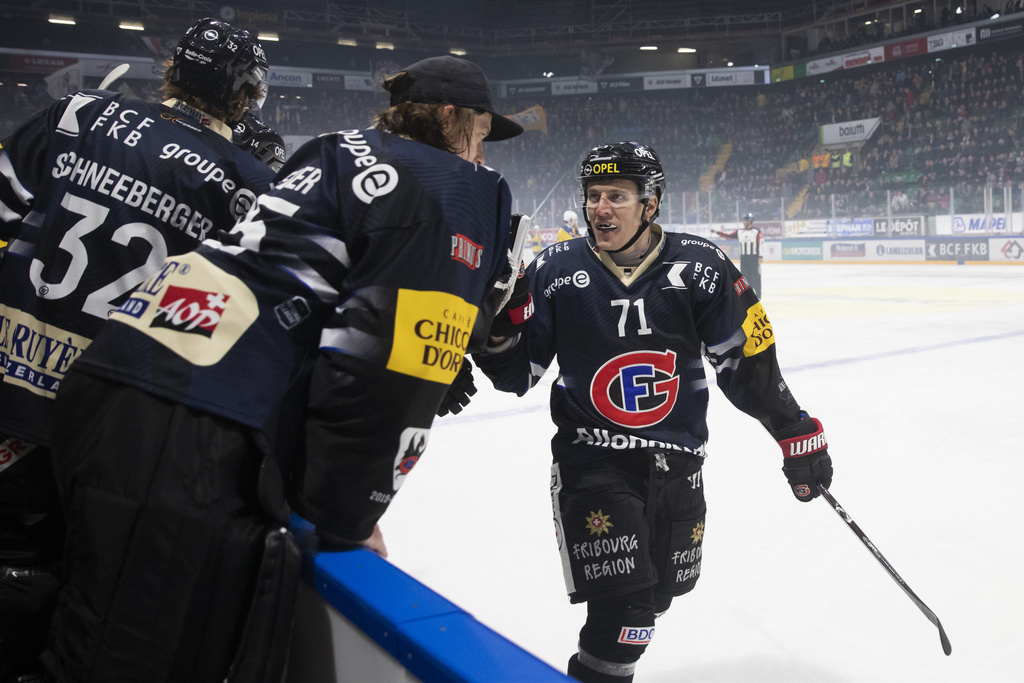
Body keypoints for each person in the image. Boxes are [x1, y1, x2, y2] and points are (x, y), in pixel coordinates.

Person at [41, 54, 524, 682]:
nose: (483, 153)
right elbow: (389, 363)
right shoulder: (457, 185)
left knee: (81, 622)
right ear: (453, 116)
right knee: (123, 661)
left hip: (114, 377)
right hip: (191, 421)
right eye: (483, 133)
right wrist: (346, 515)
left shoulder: (336, 148)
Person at [472, 142, 833, 683]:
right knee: (626, 613)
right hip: (593, 464)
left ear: (651, 203)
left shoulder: (702, 265)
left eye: (616, 196)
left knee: (658, 595)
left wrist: (797, 432)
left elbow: (748, 362)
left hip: (679, 466)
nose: (601, 208)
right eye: (594, 196)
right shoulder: (554, 269)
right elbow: (515, 375)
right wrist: (494, 325)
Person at [0, 17, 274, 681]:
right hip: (116, 428)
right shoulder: (246, 185)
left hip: (12, 395)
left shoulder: (77, 114)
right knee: (79, 598)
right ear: (242, 99)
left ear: (171, 73)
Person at [713, 212, 764, 296]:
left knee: (756, 276)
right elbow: (728, 236)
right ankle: (748, 295)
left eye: (745, 220)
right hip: (744, 258)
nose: (743, 222)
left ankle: (758, 295)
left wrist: (761, 256)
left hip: (754, 257)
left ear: (750, 221)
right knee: (745, 276)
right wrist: (717, 233)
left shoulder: (756, 232)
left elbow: (761, 243)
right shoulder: (740, 232)